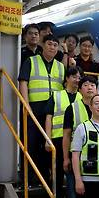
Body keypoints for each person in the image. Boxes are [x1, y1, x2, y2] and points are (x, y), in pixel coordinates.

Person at [18, 34, 65, 185]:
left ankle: (45, 178)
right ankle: (28, 179)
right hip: (35, 110)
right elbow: (23, 82)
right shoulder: (31, 61)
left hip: (53, 112)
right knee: (31, 144)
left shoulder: (60, 66)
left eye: (55, 45)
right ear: (42, 45)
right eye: (50, 44)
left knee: (49, 146)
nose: (52, 47)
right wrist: (26, 105)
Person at [44, 66, 83, 198]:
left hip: (77, 141)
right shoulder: (56, 95)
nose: (77, 80)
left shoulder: (82, 97)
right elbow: (49, 117)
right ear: (67, 78)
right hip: (58, 139)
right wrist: (47, 139)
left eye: (79, 77)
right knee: (57, 174)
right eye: (74, 77)